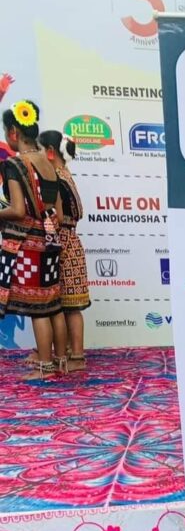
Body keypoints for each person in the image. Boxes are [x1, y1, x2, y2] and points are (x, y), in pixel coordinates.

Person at [0, 99, 64, 379]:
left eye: (5, 132)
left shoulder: (15, 164)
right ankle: (58, 361)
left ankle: (45, 367)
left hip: (27, 246)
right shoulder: (48, 163)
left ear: (14, 132)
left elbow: (16, 210)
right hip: (49, 243)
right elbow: (58, 213)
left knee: (38, 309)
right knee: (50, 305)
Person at [39, 130, 90, 370]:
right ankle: (69, 351)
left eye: (40, 150)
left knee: (69, 306)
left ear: (50, 152)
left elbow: (56, 217)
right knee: (69, 305)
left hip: (62, 242)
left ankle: (76, 356)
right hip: (71, 240)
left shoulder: (54, 178)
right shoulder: (65, 174)